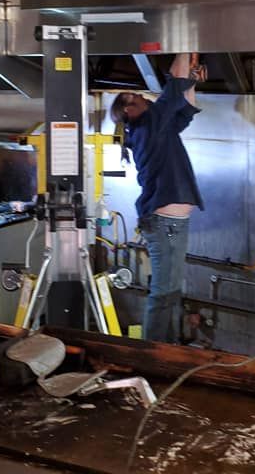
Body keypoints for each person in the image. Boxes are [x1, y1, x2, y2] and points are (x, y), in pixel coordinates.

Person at [110, 53, 205, 343]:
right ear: (129, 111)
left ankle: (166, 349)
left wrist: (191, 78)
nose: (141, 96)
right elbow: (175, 85)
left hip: (172, 223)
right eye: (135, 97)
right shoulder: (148, 126)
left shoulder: (155, 127)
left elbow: (184, 108)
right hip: (164, 224)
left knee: (171, 292)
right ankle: (150, 353)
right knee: (163, 293)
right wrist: (185, 46)